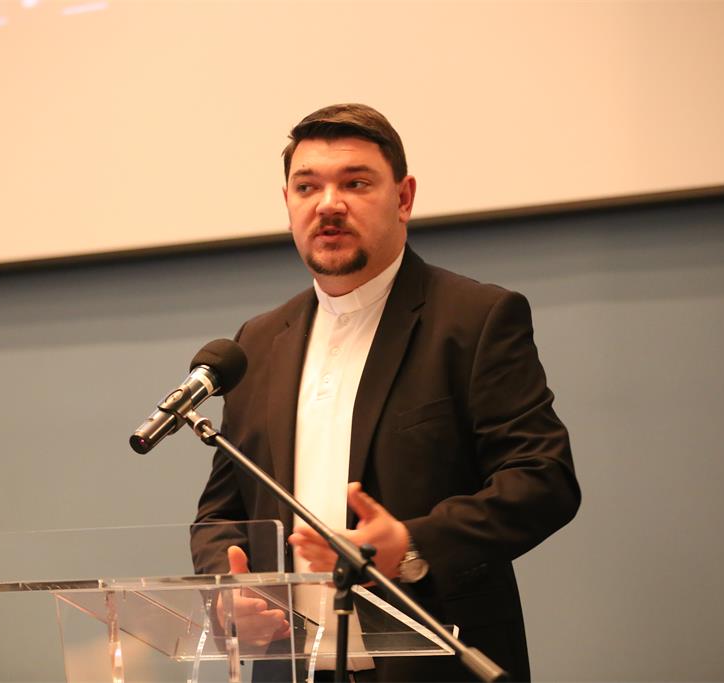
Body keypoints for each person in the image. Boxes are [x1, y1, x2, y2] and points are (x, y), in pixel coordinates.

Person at [191, 103, 580, 682]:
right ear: (288, 203)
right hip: (290, 667)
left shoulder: (473, 319)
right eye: (307, 187)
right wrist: (227, 592)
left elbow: (542, 480)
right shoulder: (260, 342)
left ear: (404, 197)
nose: (328, 204)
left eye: (355, 183)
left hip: (436, 667)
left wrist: (413, 544)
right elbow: (222, 512)